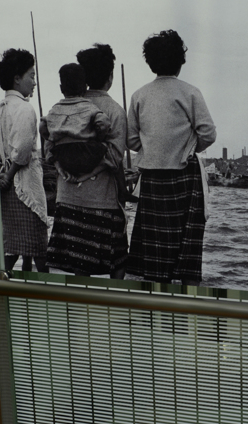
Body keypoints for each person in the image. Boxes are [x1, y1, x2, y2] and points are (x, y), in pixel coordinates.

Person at [127, 30, 216, 284]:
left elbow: (131, 139)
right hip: (184, 178)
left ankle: (156, 310)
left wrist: (152, 149)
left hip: (153, 179)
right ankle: (186, 311)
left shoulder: (139, 95)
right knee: (186, 249)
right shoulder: (190, 92)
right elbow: (208, 133)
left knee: (156, 250)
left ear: (151, 63)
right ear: (180, 61)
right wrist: (186, 148)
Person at [46, 44, 130, 278]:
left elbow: (49, 149)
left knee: (77, 272)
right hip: (101, 203)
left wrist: (67, 169)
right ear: (110, 77)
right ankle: (116, 311)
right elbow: (114, 158)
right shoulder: (114, 111)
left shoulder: (63, 109)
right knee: (118, 263)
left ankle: (76, 313)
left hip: (67, 198)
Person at [0, 48, 48, 276]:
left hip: (5, 185)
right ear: (17, 79)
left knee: (11, 246)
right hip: (22, 185)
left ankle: (3, 285)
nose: (34, 82)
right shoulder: (25, 109)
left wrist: (2, 175)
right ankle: (48, 293)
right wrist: (11, 171)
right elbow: (24, 149)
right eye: (31, 76)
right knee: (38, 246)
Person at [39, 63, 111, 178]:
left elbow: (42, 125)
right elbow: (103, 123)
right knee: (105, 147)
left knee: (52, 148)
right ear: (85, 87)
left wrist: (50, 137)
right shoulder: (89, 107)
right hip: (87, 154)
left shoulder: (55, 109)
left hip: (63, 155)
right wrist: (98, 138)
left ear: (61, 88)